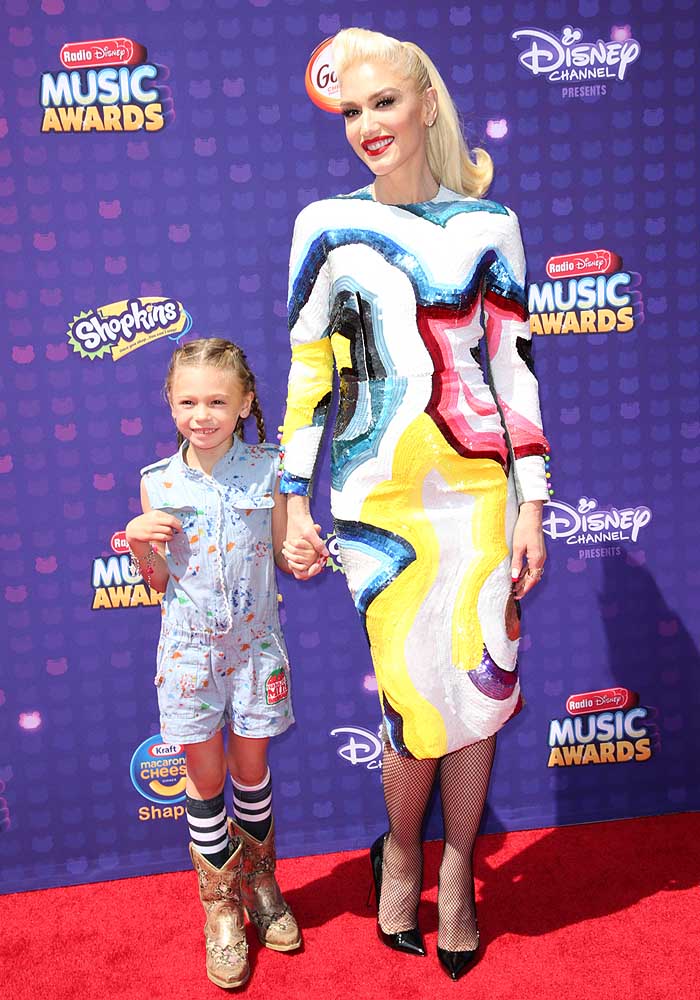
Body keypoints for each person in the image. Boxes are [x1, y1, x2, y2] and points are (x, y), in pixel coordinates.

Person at [279, 28, 549, 981]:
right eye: (351, 111)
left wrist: (531, 504)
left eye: (384, 103)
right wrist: (290, 496)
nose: (367, 126)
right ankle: (401, 853)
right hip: (375, 503)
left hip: (476, 494)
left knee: (478, 694)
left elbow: (513, 375)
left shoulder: (492, 225)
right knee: (412, 706)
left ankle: (461, 870)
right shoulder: (324, 225)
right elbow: (312, 367)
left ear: (425, 103)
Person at [125, 338, 314, 989]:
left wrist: (308, 551)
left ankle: (262, 886)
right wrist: (138, 546)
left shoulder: (271, 469)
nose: (201, 413)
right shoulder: (157, 481)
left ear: (244, 403)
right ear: (170, 404)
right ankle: (222, 911)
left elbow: (291, 555)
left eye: (216, 400)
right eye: (188, 401)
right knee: (205, 782)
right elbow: (154, 582)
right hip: (189, 658)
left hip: (257, 653)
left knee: (251, 771)